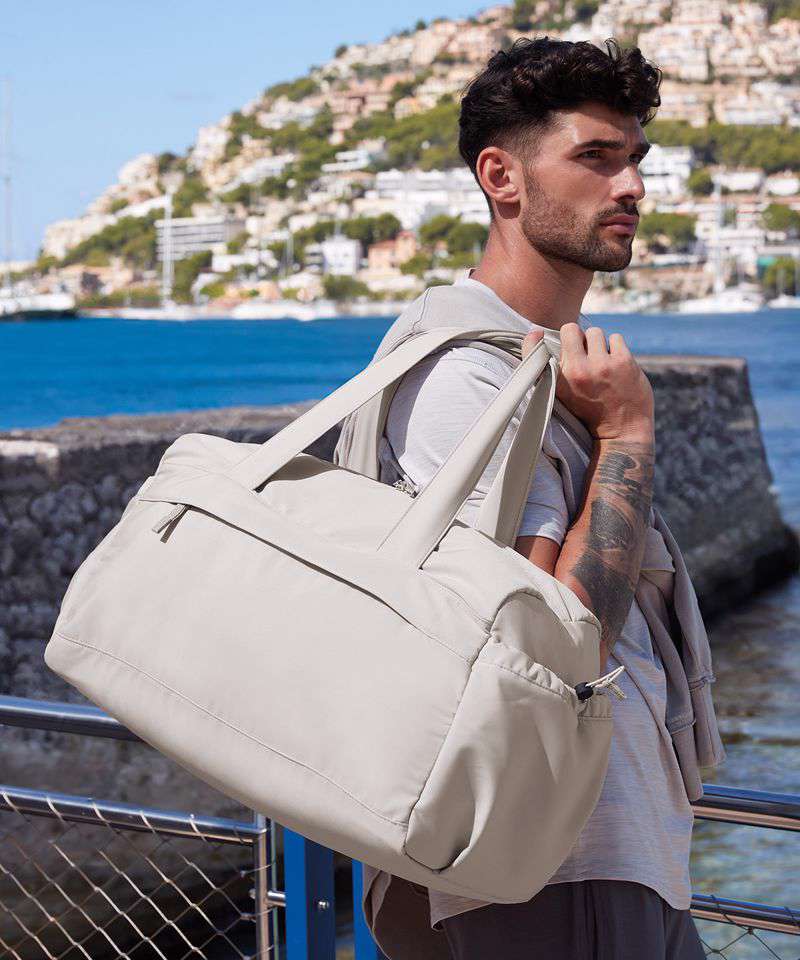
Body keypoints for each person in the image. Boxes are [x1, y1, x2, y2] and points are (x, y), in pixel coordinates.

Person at [376, 35, 707, 960]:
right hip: (555, 869)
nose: (631, 186)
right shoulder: (463, 377)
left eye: (634, 158)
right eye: (594, 157)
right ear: (502, 178)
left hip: (616, 852)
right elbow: (557, 648)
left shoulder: (543, 364)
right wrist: (628, 434)